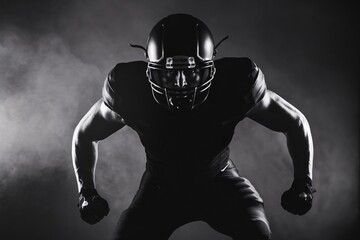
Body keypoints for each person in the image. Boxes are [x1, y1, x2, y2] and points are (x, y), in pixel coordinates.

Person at [72, 14, 315, 240]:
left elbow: (294, 123)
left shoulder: (236, 85)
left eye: (191, 75)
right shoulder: (130, 90)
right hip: (160, 189)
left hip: (219, 182)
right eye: (169, 75)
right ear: (149, 73)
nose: (180, 84)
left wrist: (303, 182)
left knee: (257, 235)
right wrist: (86, 192)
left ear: (211, 70)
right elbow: (85, 135)